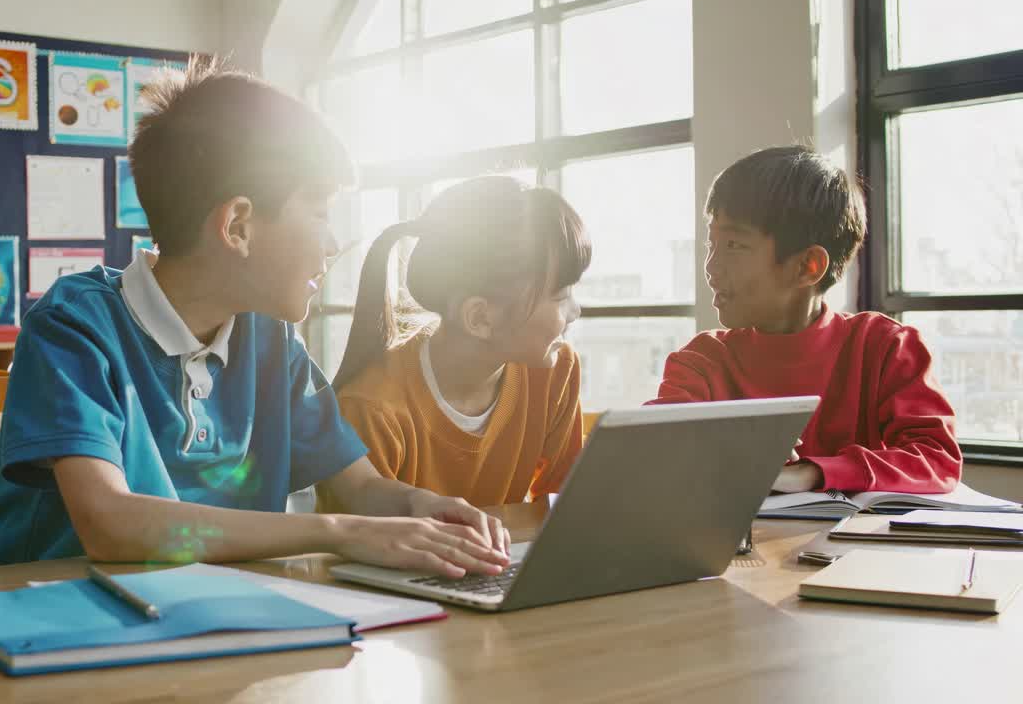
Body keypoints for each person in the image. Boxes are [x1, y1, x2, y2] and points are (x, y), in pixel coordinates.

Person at [0, 60, 509, 579]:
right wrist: (334, 531)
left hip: (218, 623)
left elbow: (360, 488)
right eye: (320, 213)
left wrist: (423, 506)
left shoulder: (271, 339)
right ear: (237, 225)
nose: (332, 244)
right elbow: (111, 524)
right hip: (58, 631)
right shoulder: (73, 328)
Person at [649, 146, 961, 493]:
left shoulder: (886, 347)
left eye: (734, 245)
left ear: (807, 267)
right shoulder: (702, 360)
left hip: (854, 548)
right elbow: (658, 451)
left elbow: (937, 459)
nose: (711, 267)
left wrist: (811, 473)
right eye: (712, 243)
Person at [319, 176, 590, 510]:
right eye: (561, 296)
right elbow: (353, 544)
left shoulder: (557, 370)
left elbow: (564, 506)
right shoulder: (372, 409)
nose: (575, 311)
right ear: (480, 318)